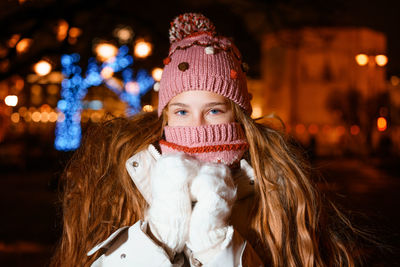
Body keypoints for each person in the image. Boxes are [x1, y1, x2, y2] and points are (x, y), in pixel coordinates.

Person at [50, 13, 358, 266]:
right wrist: (159, 236)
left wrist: (215, 246)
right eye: (182, 112)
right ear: (166, 114)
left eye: (213, 111)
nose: (197, 125)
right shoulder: (128, 176)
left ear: (236, 114)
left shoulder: (274, 186)